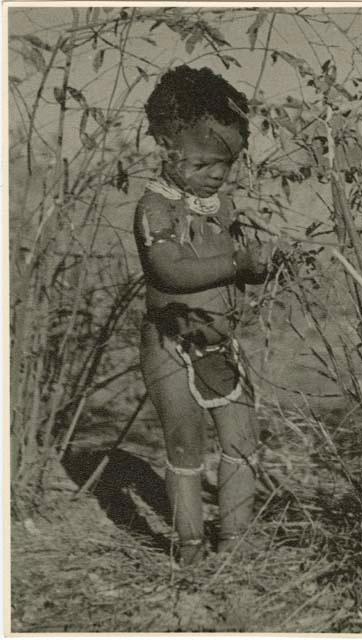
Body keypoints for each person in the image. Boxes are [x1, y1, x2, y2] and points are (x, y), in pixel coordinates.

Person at [134, 65, 273, 564]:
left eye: (228, 164)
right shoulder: (156, 208)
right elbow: (168, 271)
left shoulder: (222, 205)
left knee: (241, 441)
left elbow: (234, 272)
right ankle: (190, 547)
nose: (219, 173)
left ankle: (236, 544)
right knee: (185, 444)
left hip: (220, 346)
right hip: (170, 343)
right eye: (208, 161)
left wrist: (257, 266)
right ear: (167, 144)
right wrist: (235, 261)